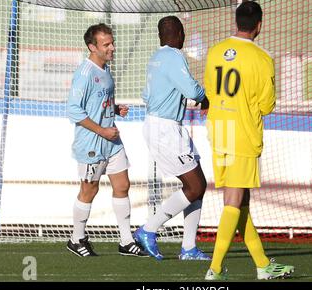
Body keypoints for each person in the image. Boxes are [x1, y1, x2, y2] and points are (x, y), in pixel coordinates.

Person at [203, 2, 294, 280]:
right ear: (259, 24)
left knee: (242, 200)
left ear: (236, 21)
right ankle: (215, 269)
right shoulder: (261, 58)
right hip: (242, 133)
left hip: (219, 131)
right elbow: (266, 106)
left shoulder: (215, 51)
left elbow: (208, 90)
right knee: (233, 199)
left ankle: (263, 264)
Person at [66, 23, 148, 257]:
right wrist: (102, 131)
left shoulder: (104, 69)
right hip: (92, 143)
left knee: (122, 185)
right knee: (89, 191)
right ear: (92, 47)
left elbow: (98, 101)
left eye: (112, 42)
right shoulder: (85, 73)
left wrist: (114, 107)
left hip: (111, 141)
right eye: (107, 44)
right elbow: (74, 110)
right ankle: (76, 238)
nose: (112, 47)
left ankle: (125, 241)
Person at [133, 16, 210, 261]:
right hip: (166, 129)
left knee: (198, 186)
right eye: (183, 33)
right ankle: (148, 230)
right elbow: (191, 90)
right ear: (179, 33)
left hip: (162, 125)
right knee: (195, 186)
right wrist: (204, 96)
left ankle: (188, 248)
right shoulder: (174, 56)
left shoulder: (155, 58)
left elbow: (147, 94)